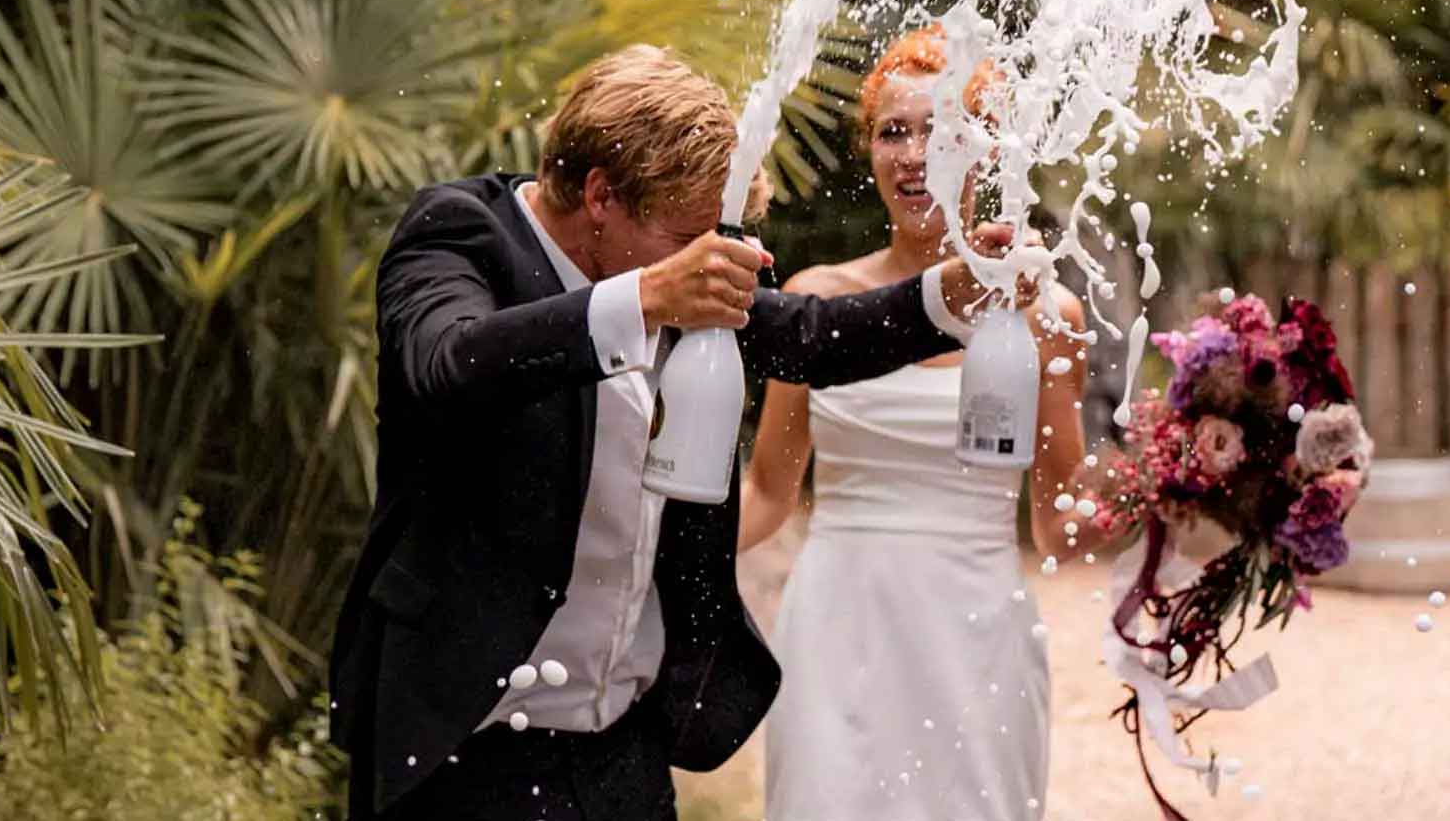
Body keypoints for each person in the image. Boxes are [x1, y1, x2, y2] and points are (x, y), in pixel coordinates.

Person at [328, 44, 1034, 821]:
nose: (706, 262)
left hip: (623, 754)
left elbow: (807, 333)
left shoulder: (671, 271)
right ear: (602, 195)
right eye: (684, 237)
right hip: (463, 747)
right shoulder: (462, 233)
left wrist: (947, 295)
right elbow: (446, 365)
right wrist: (644, 296)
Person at [740, 26, 1110, 821]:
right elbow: (768, 494)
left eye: (942, 130)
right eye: (892, 132)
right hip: (838, 627)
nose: (913, 155)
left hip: (977, 633)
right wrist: (639, 546)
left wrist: (1173, 487)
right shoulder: (819, 301)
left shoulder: (1048, 316)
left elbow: (1059, 528)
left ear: (987, 150)